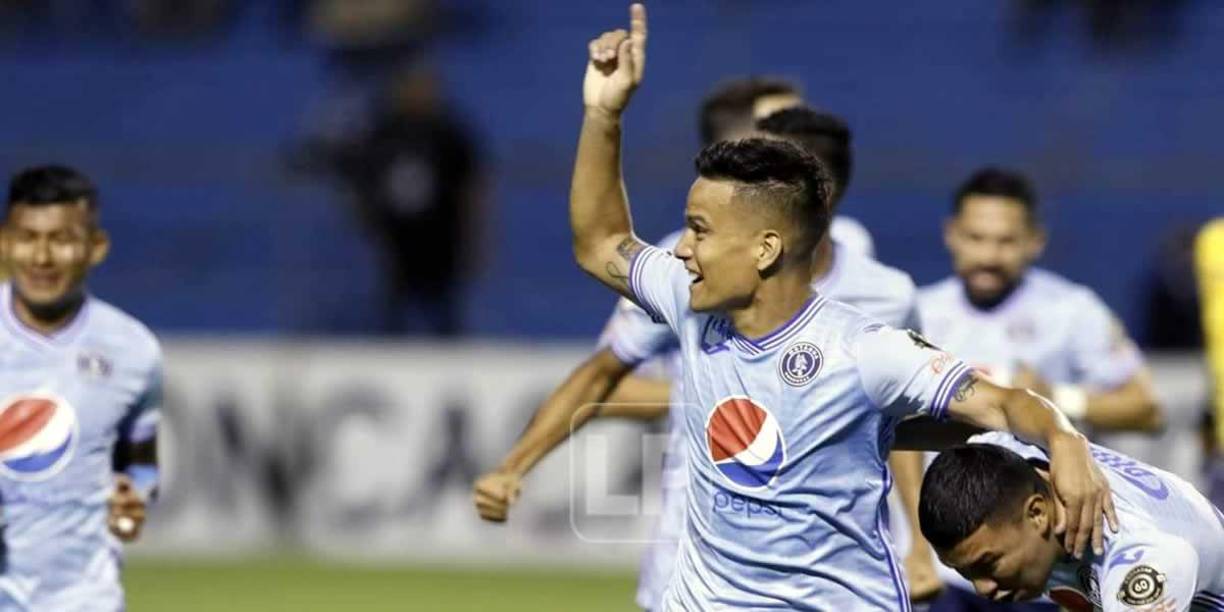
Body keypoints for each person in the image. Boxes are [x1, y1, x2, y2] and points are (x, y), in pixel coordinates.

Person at [567, 6, 1112, 609]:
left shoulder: (865, 350)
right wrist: (603, 114)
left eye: (699, 230)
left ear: (765, 249)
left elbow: (1004, 404)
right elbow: (600, 244)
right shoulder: (690, 301)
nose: (684, 249)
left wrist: (1065, 442)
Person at [474, 105, 920, 610]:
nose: (689, 246)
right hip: (700, 556)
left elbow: (904, 421)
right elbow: (605, 371)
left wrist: (920, 547)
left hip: (827, 580)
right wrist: (515, 465)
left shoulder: (883, 295)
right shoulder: (691, 278)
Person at [0, 165, 161, 610]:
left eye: (62, 239)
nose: (43, 257)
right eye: (28, 237)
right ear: (5, 242)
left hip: (83, 598)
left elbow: (141, 463)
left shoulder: (132, 350)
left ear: (95, 247)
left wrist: (135, 496)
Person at [917, 433, 1224, 611]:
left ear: (1037, 513)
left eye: (989, 563)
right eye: (964, 571)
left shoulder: (1139, 558)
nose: (982, 589)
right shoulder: (1002, 450)